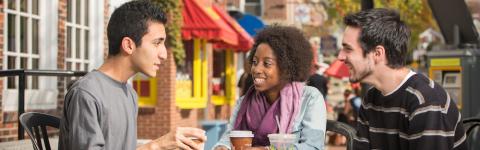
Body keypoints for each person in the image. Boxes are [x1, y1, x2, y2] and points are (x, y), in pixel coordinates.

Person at [58, 1, 206, 150]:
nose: (164, 54)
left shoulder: (130, 94)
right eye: (157, 43)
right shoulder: (87, 93)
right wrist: (155, 146)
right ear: (129, 45)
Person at [338, 8, 467, 150]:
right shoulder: (371, 99)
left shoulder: (425, 100)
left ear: (377, 53)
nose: (340, 57)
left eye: (348, 49)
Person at [214, 25, 327, 150]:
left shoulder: (310, 99)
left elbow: (313, 147)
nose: (256, 69)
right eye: (255, 62)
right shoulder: (243, 102)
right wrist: (221, 147)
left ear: (286, 68)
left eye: (267, 64)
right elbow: (228, 139)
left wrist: (267, 149)